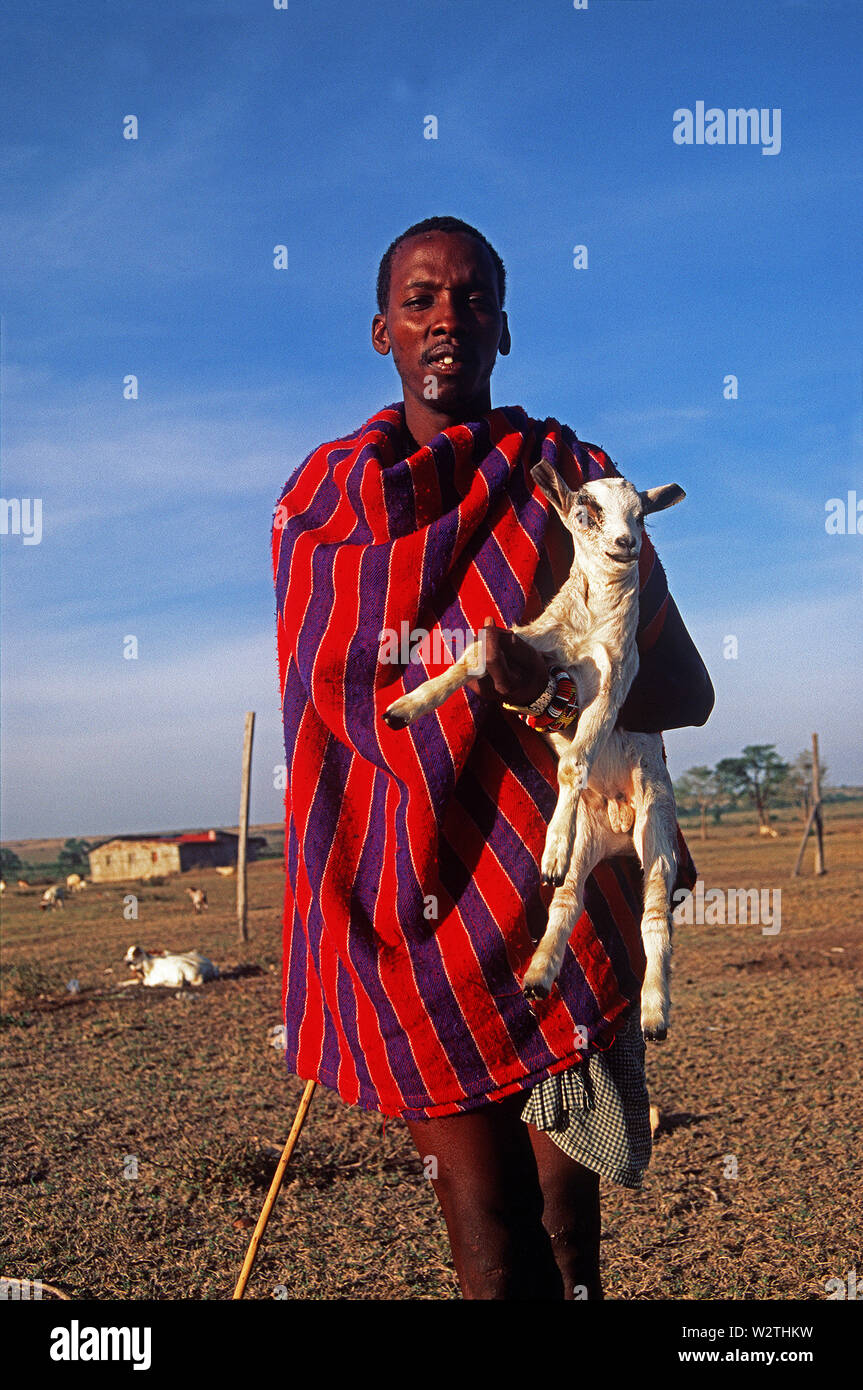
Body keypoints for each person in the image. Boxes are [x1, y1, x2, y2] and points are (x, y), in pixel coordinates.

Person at [272, 216, 714, 1300]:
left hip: (549, 898)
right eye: (420, 298)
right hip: (412, 923)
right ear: (381, 329)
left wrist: (555, 688)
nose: (446, 318)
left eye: (472, 298)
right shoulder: (323, 515)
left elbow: (683, 691)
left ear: (505, 327)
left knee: (568, 1239)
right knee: (486, 1242)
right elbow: (332, 735)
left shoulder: (571, 486)